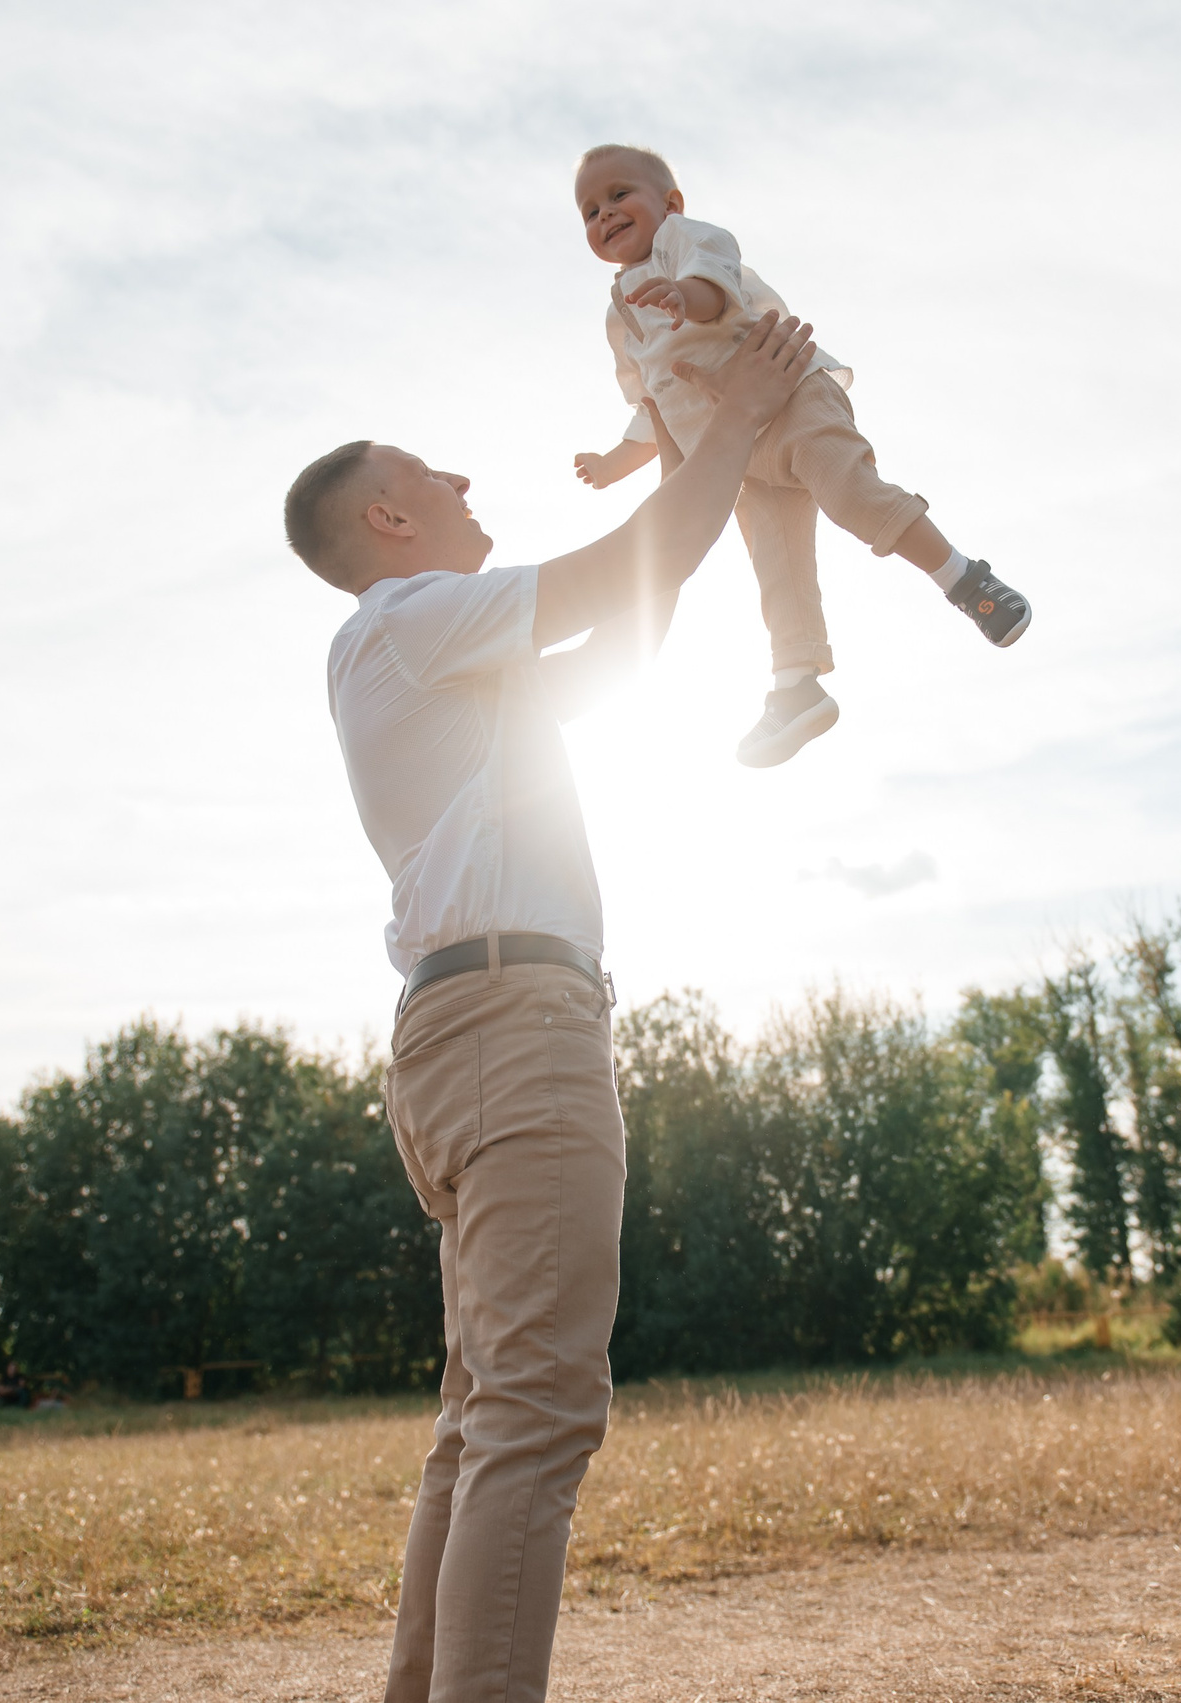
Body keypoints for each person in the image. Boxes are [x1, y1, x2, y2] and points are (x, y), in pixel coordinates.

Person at [283, 310, 817, 1703]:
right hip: (517, 1031)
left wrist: (717, 470)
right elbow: (624, 564)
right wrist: (736, 422)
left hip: (468, 1031)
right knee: (531, 1416)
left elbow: (630, 626)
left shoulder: (443, 662)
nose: (468, 480)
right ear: (390, 516)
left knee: (481, 1419)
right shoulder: (407, 617)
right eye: (435, 475)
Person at [570, 143, 1034, 768]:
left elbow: (716, 285)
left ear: (669, 203)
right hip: (735, 449)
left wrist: (685, 296)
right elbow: (652, 408)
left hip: (789, 397)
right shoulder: (618, 316)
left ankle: (965, 578)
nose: (605, 215)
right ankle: (797, 688)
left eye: (619, 195)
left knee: (848, 494)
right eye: (590, 210)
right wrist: (609, 464)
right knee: (776, 566)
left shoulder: (684, 240)